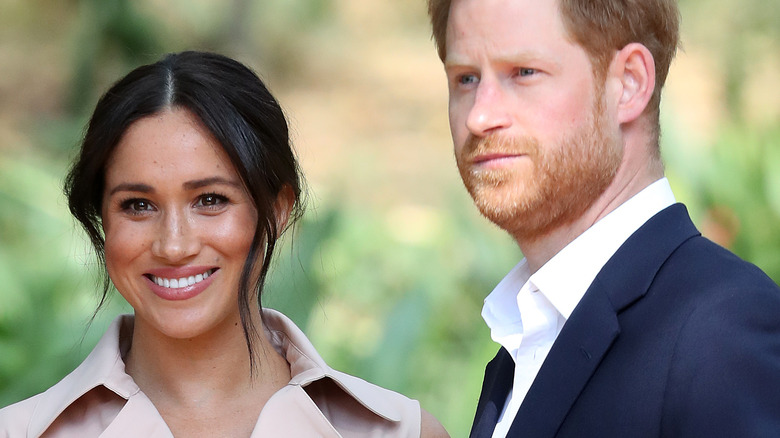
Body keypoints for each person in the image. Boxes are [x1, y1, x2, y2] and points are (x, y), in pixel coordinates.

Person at [0, 51, 448, 438]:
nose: (174, 246)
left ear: (277, 210)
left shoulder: (399, 432)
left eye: (210, 200)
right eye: (137, 205)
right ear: (102, 219)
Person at [426, 0, 780, 437]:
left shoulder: (719, 329)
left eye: (523, 72)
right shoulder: (523, 345)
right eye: (466, 78)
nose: (480, 116)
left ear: (629, 83)